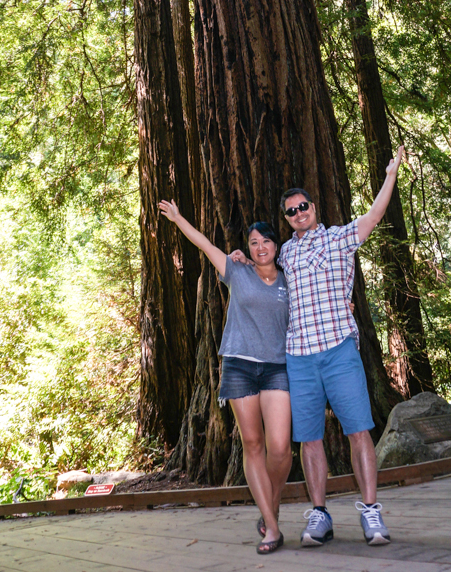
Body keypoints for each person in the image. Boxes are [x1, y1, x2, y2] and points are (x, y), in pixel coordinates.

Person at [278, 147, 406, 548]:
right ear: (287, 219)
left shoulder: (338, 239)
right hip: (299, 356)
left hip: (338, 350)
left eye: (304, 206)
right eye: (292, 211)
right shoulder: (284, 251)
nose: (300, 213)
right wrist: (239, 258)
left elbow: (375, 215)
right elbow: (263, 271)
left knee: (358, 431)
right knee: (309, 439)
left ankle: (370, 510)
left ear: (314, 207)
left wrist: (390, 175)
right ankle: (319, 514)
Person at [159, 199, 291, 555]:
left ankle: (271, 505)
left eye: (266, 241)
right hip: (239, 366)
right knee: (253, 445)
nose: (260, 248)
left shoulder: (290, 279)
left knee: (279, 448)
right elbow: (204, 244)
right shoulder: (237, 271)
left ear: (276, 246)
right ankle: (272, 528)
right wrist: (178, 217)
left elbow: (316, 304)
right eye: (254, 243)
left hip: (278, 366)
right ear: (247, 249)